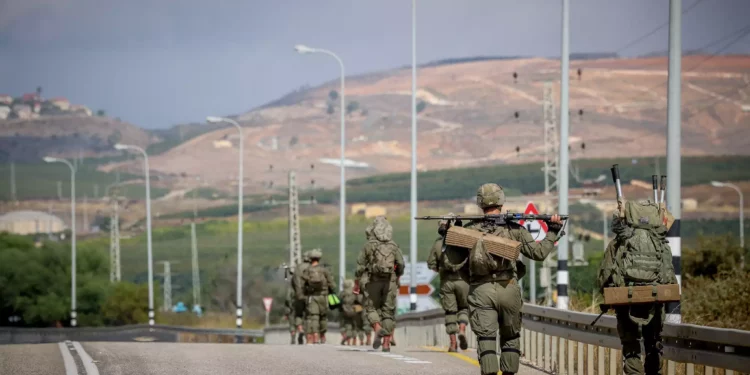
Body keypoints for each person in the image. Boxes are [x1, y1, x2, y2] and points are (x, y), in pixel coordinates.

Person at [458, 183, 563, 375]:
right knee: (511, 336)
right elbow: (538, 253)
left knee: (486, 338)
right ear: (501, 200)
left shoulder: (469, 230)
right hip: (509, 288)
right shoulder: (514, 229)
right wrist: (553, 231)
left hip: (480, 290)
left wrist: (449, 233)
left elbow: (453, 263)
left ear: (480, 203)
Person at [597, 202, 677, 375]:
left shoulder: (618, 243)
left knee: (631, 345)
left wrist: (605, 297)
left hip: (626, 300)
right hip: (654, 302)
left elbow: (605, 272)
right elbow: (669, 275)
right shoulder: (660, 243)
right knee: (653, 342)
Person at [355, 216, 405, 352]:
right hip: (390, 282)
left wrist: (357, 281)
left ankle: (377, 328)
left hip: (373, 282)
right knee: (388, 312)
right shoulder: (393, 245)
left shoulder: (368, 245)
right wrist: (398, 276)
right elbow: (400, 264)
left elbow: (359, 267)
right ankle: (387, 343)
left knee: (371, 308)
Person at [427, 213, 470, 352]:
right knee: (464, 308)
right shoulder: (465, 242)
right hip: (464, 281)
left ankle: (453, 343)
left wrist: (442, 269)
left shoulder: (438, 244)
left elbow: (431, 265)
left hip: (447, 282)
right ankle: (462, 328)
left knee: (450, 312)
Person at [296, 249, 336, 344]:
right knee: (323, 317)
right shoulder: (324, 270)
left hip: (312, 297)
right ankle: (323, 336)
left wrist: (304, 294)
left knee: (313, 316)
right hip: (323, 296)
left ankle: (314, 336)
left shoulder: (307, 270)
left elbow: (302, 284)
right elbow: (332, 285)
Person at [291, 251, 312, 344]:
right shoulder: (312, 268)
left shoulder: (297, 268)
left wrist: (297, 291)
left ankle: (300, 328)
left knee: (298, 314)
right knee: (309, 315)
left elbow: (292, 282)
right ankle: (308, 335)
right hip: (309, 295)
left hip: (298, 295)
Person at [339, 279, 357, 345]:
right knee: (354, 326)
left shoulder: (342, 293)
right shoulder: (354, 292)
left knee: (346, 325)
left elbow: (339, 302)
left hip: (345, 312)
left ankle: (347, 339)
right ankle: (354, 341)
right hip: (354, 311)